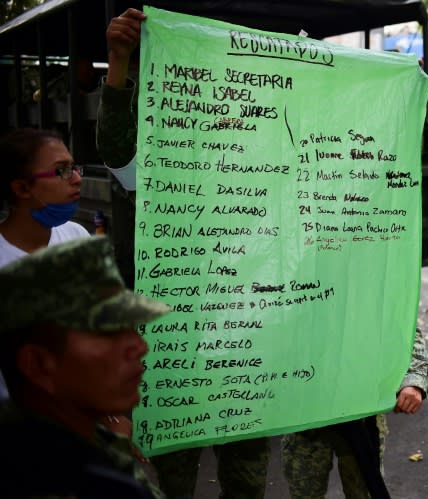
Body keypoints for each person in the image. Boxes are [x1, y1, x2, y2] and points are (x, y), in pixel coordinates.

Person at [96, 8, 271, 498]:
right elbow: (114, 147)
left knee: (247, 482)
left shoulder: (266, 174)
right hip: (175, 360)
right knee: (174, 482)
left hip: (245, 357)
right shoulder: (159, 169)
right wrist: (118, 61)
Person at [0, 236, 170, 498]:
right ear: (37, 364)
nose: (140, 347)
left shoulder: (92, 444)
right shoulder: (43, 481)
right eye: (109, 333)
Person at [281, 327, 428, 498]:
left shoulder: (375, 299)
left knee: (363, 491)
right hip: (306, 413)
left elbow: (405, 329)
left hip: (361, 414)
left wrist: (414, 380)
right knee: (304, 492)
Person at [0, 128, 90, 400]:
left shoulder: (77, 237)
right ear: (22, 188)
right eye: (61, 170)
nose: (76, 179)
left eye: (75, 168)